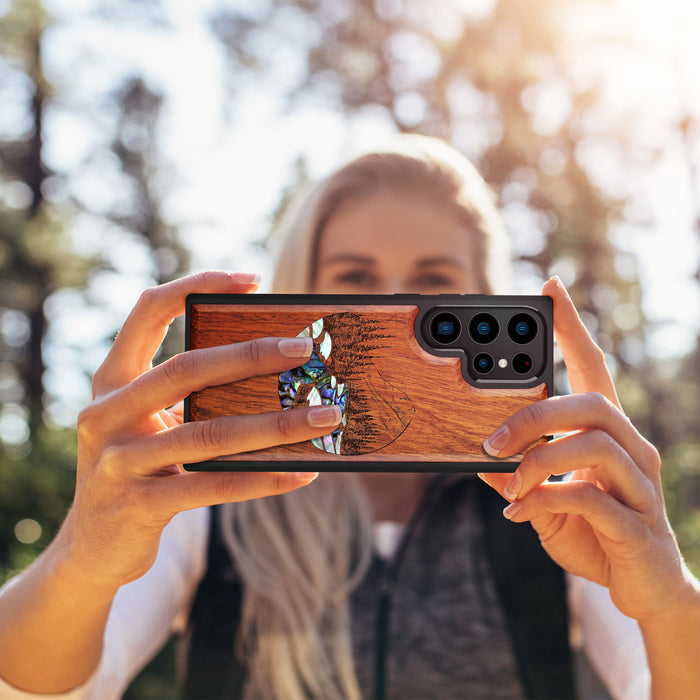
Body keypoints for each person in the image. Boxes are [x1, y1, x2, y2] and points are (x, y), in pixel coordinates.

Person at [0, 135, 698, 700]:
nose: (391, 303)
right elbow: (43, 687)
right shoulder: (207, 494)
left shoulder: (552, 499)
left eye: (432, 281)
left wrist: (669, 603)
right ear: (298, 295)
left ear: (486, 301)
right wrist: (81, 559)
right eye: (355, 278)